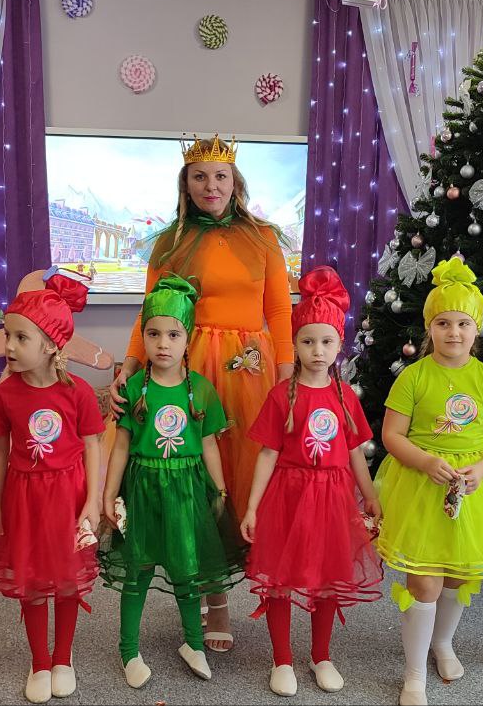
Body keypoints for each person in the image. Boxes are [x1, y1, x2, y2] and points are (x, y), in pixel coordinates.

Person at [109, 134, 293, 651]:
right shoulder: (170, 242)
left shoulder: (263, 238)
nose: (211, 185)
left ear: (235, 183)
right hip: (188, 367)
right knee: (196, 480)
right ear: (185, 184)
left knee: (242, 471)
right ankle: (215, 601)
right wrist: (129, 367)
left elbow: (279, 312)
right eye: (200, 176)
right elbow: (149, 313)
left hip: (249, 370)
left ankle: (261, 583)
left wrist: (286, 380)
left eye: (220, 176)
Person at [375, 259, 483, 706]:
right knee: (425, 584)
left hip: (472, 493)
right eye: (443, 323)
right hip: (421, 488)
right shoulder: (414, 376)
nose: (453, 332)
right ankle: (414, 672)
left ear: (477, 329)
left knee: (457, 577)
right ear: (429, 328)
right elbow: (392, 435)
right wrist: (425, 460)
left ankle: (442, 643)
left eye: (462, 323)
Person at [240, 266, 383, 697]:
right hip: (288, 496)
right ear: (295, 344)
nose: (317, 351)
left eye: (326, 342)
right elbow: (267, 453)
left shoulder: (345, 396)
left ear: (340, 344)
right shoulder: (280, 396)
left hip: (334, 499)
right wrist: (252, 506)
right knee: (280, 579)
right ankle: (282, 658)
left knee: (328, 577)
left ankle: (321, 655)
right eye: (307, 342)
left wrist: (370, 496)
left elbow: (355, 452)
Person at [99, 274, 245, 688]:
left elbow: (210, 445)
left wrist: (220, 489)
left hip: (187, 492)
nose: (163, 343)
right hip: (143, 490)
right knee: (138, 570)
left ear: (188, 339)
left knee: (187, 569)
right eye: (153, 333)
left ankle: (193, 642)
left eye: (173, 334)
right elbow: (121, 447)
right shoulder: (134, 389)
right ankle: (129, 649)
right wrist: (109, 494)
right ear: (143, 337)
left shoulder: (202, 390)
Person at [0, 273, 103, 701]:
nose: (9, 346)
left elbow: (93, 447)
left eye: (20, 338)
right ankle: (40, 660)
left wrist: (92, 502)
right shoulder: (4, 394)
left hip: (68, 496)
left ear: (50, 345)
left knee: (67, 578)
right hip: (24, 497)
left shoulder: (79, 393)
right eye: (7, 336)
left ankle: (63, 657)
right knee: (30, 580)